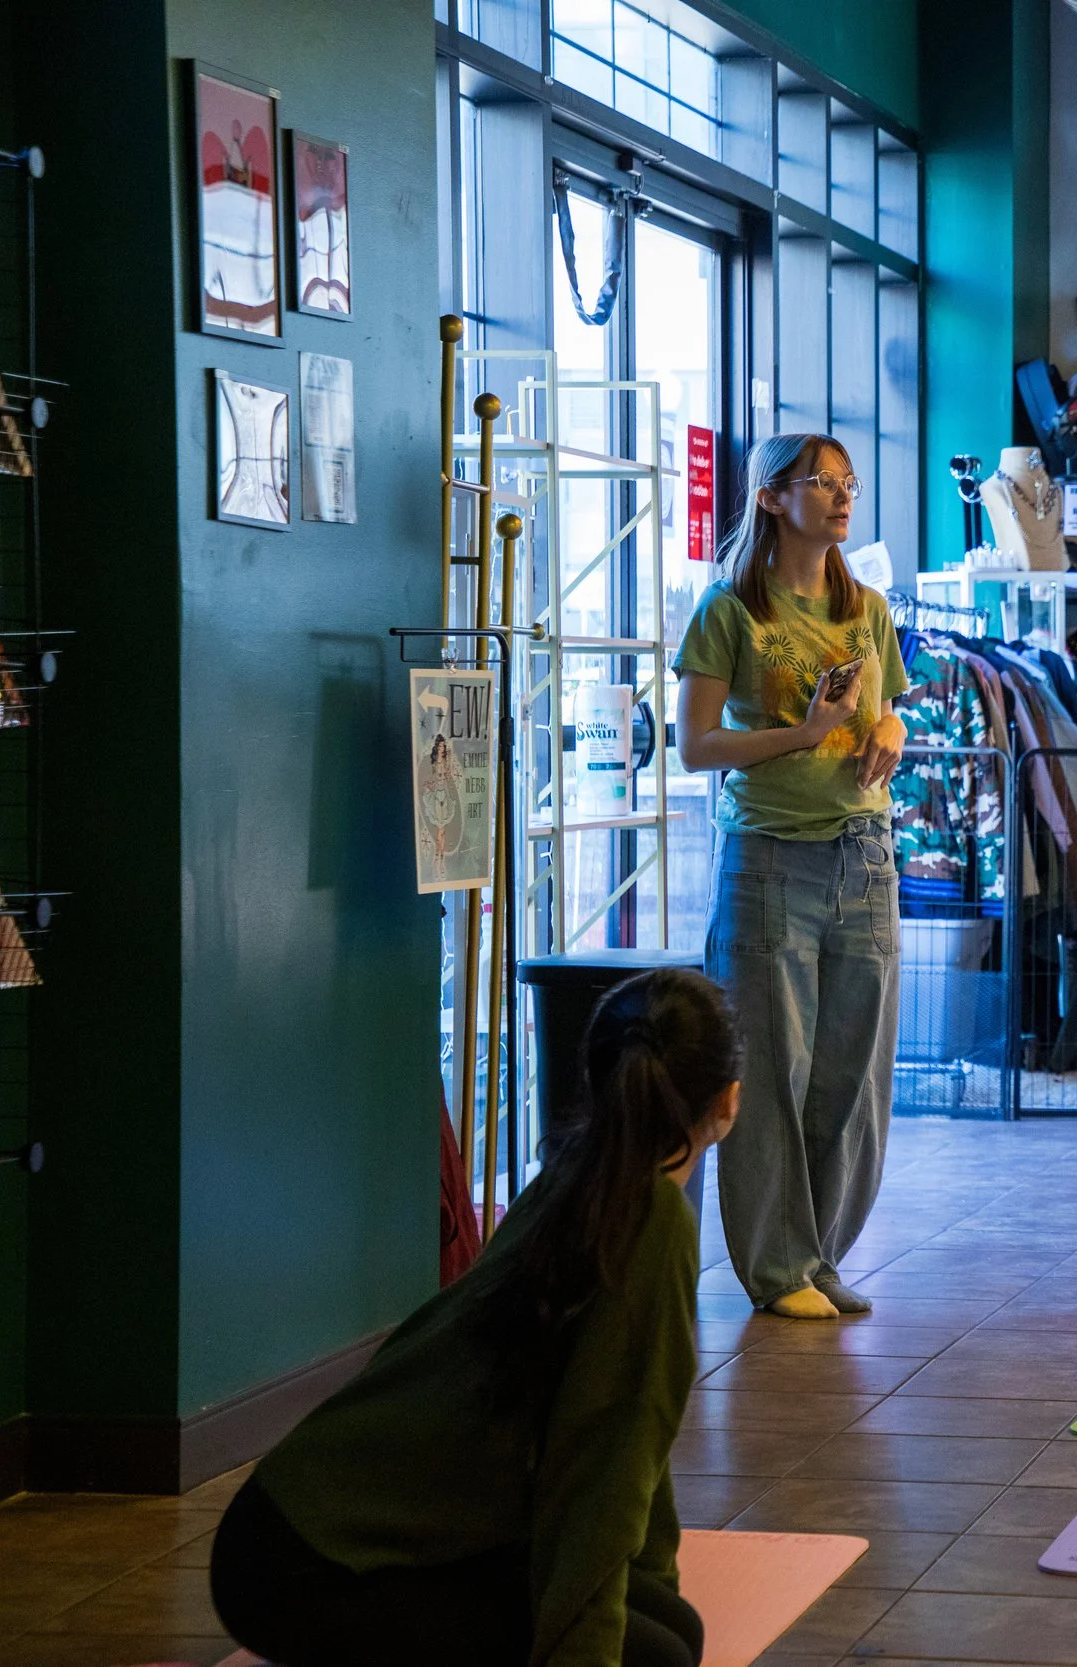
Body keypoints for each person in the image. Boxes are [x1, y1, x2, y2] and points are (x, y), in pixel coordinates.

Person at [210, 969, 738, 1667]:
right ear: (727, 1102)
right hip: (313, 1568)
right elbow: (600, 1478)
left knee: (669, 1630)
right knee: (653, 1654)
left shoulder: (578, 1176)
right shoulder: (652, 1220)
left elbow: (629, 1444)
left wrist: (649, 1590)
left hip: (286, 1532)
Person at [675, 433, 909, 1320]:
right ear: (771, 498)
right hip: (770, 858)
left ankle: (819, 1254)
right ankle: (776, 1268)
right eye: (822, 481)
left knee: (854, 1074)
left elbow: (882, 717)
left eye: (849, 482)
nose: (843, 496)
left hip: (866, 856)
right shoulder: (731, 609)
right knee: (773, 1070)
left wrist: (888, 733)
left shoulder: (868, 609)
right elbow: (697, 746)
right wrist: (802, 736)